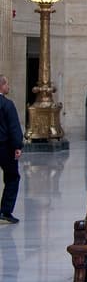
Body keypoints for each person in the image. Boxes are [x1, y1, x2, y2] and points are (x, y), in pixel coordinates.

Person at [0, 75, 23, 224]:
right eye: (7, 84)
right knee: (12, 177)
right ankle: (5, 211)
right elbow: (14, 127)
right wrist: (17, 146)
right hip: (4, 147)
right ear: (2, 85)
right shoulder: (7, 105)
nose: (9, 87)